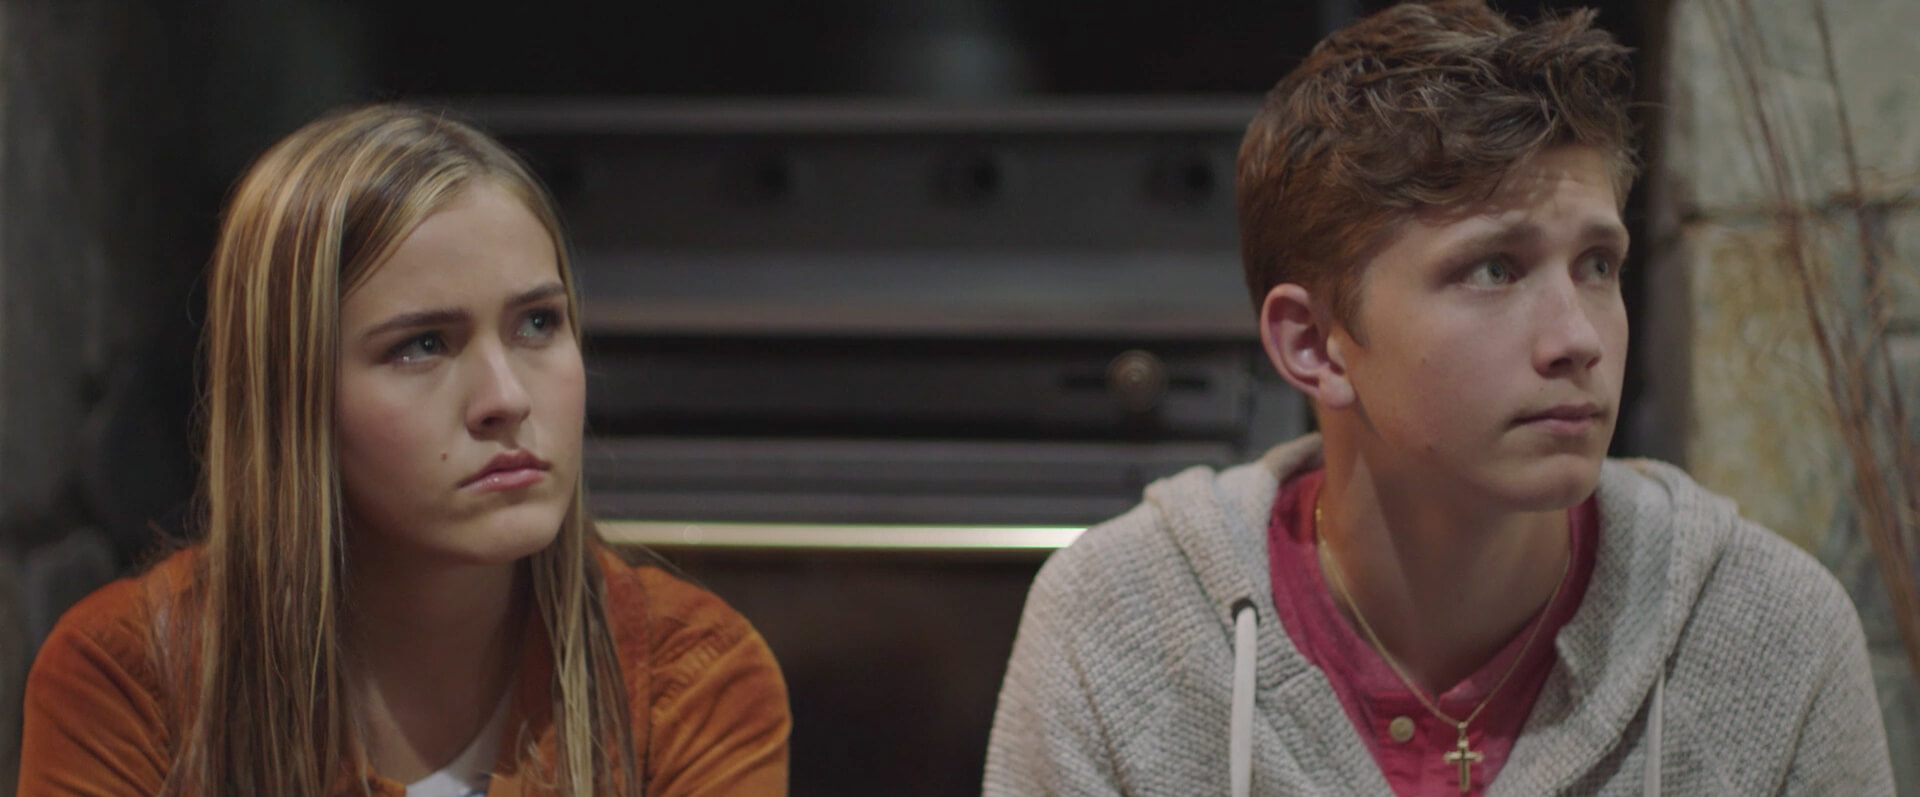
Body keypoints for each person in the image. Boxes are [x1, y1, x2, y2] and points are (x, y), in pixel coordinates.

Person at [983, 1, 1895, 794]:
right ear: (1314, 344)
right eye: (1494, 269)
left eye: (1596, 265)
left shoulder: (1768, 632)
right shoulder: (1119, 625)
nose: (1577, 337)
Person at [18, 105, 790, 796]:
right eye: (423, 344)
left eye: (537, 324)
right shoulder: (131, 679)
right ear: (294, 395)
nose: (507, 397)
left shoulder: (688, 676)